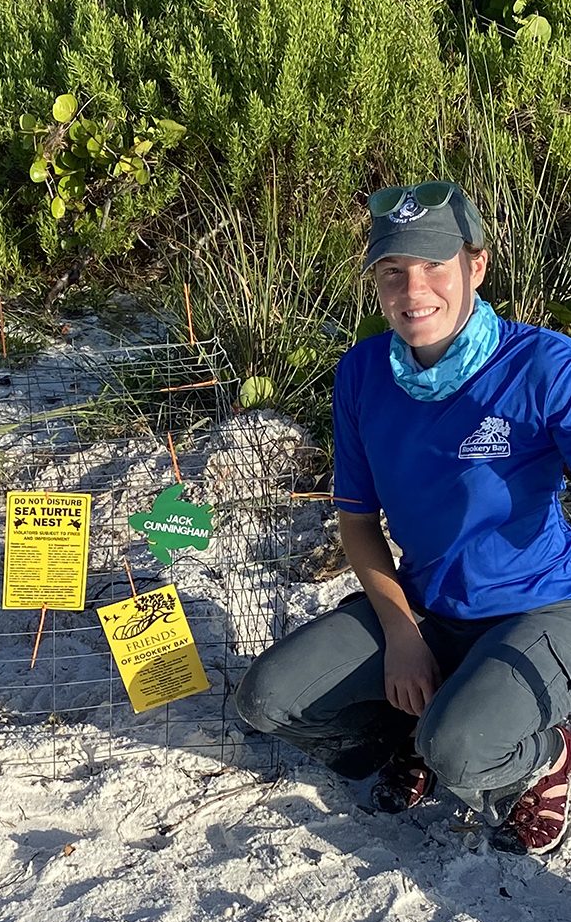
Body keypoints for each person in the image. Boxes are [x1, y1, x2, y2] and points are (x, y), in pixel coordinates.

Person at [235, 180, 571, 856]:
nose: (413, 291)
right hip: (425, 605)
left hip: (537, 606)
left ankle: (546, 756)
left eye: (433, 268)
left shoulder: (541, 363)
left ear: (474, 267)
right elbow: (357, 519)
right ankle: (412, 734)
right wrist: (400, 632)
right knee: (265, 700)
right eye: (393, 272)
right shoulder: (361, 372)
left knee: (461, 750)